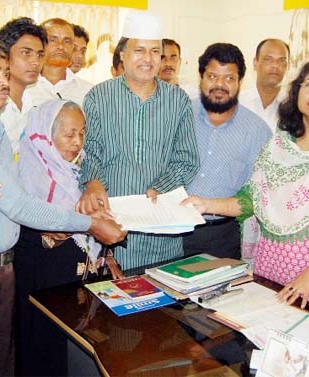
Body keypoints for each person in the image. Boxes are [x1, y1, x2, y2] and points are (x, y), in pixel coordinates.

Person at [0, 37, 126, 377]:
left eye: (4, 72)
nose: (4, 81)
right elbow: (17, 204)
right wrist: (89, 224)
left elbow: (15, 197)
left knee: (0, 366)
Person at [183, 53, 309, 327]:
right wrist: (205, 204)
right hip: (270, 267)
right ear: (297, 91)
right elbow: (251, 201)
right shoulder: (279, 147)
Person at [77, 10, 199, 270]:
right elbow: (91, 150)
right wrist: (93, 180)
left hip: (162, 224)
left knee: (162, 303)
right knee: (112, 302)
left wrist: (161, 186)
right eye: (139, 50)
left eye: (155, 51)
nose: (148, 59)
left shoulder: (178, 101)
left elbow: (187, 159)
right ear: (122, 53)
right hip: (112, 224)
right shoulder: (99, 96)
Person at [14, 99, 123, 376]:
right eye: (69, 134)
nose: (77, 142)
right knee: (47, 355)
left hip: (78, 286)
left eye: (82, 133)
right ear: (47, 135)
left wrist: (107, 256)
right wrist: (51, 236)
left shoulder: (80, 172)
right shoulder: (29, 176)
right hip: (45, 287)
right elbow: (26, 236)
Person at [183, 43, 271, 259]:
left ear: (240, 81)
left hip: (221, 236)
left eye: (229, 78)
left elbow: (259, 196)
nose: (219, 85)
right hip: (171, 233)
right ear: (201, 77)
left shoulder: (258, 131)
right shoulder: (179, 115)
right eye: (212, 76)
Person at [0, 17, 46, 154]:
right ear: (3, 55)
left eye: (40, 55)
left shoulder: (32, 101)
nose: (35, 62)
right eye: (26, 53)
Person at [24, 18, 94, 107]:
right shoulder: (23, 87)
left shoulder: (88, 92)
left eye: (67, 41)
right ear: (39, 43)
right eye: (53, 40)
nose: (61, 46)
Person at [240, 38, 290, 130]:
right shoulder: (238, 102)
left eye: (281, 61)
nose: (275, 65)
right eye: (268, 59)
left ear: (287, 66)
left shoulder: (293, 107)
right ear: (255, 63)